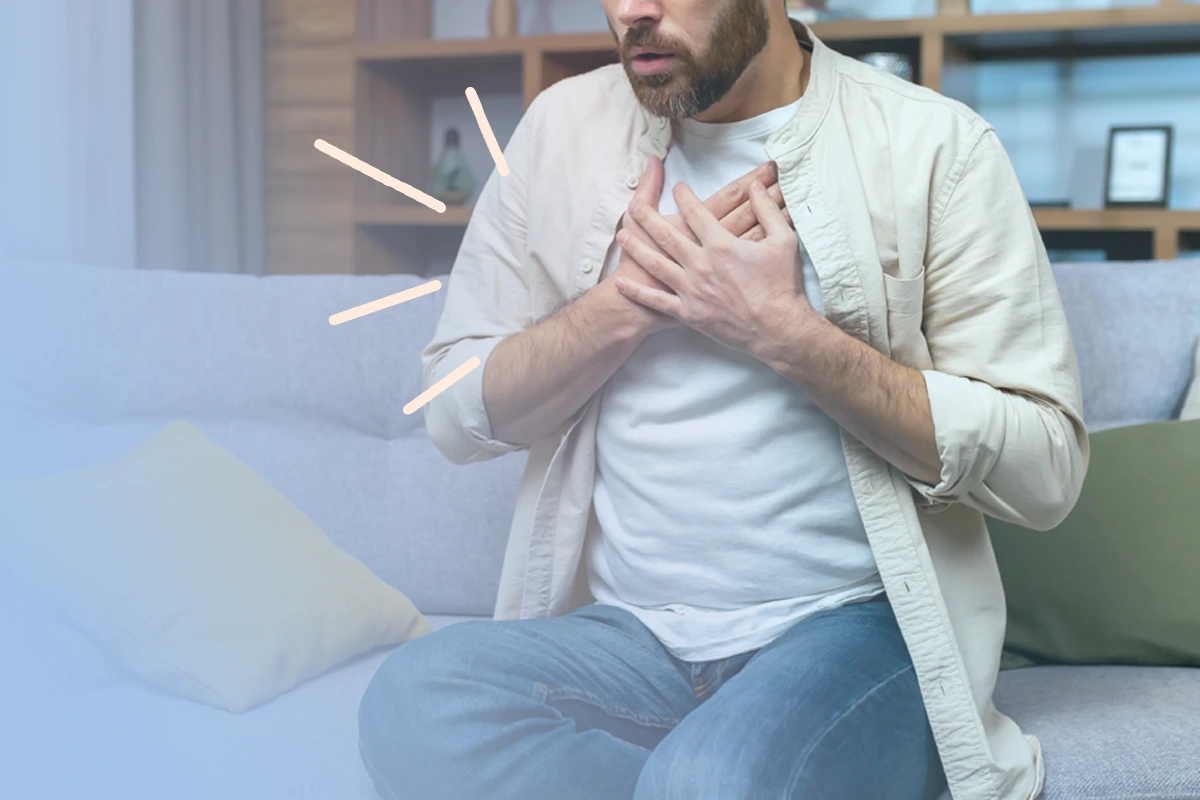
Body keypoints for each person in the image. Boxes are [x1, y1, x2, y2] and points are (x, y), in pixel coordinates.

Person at [358, 1, 1090, 798]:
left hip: (852, 624)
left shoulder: (934, 145)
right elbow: (458, 413)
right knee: (413, 702)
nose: (632, 9)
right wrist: (633, 297)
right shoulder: (558, 130)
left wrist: (786, 334)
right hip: (628, 635)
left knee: (709, 778)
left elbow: (1045, 467)